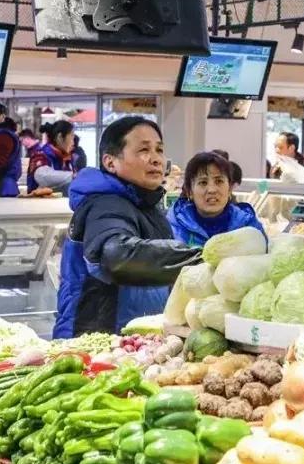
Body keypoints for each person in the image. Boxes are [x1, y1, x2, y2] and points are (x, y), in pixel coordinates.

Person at [56, 116, 201, 337]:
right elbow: (117, 256)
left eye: (159, 150)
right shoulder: (104, 203)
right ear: (110, 162)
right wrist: (199, 257)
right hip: (97, 343)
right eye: (144, 150)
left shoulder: (146, 205)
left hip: (135, 341)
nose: (156, 159)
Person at [168, 151, 264, 246]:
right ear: (190, 191)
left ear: (230, 189)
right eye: (203, 182)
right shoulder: (174, 226)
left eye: (219, 181)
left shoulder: (247, 225)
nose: (212, 190)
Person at [27, 121, 76, 194]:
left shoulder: (66, 158)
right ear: (60, 137)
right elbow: (42, 176)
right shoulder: (41, 154)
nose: (73, 142)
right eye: (71, 137)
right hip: (38, 200)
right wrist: (73, 176)